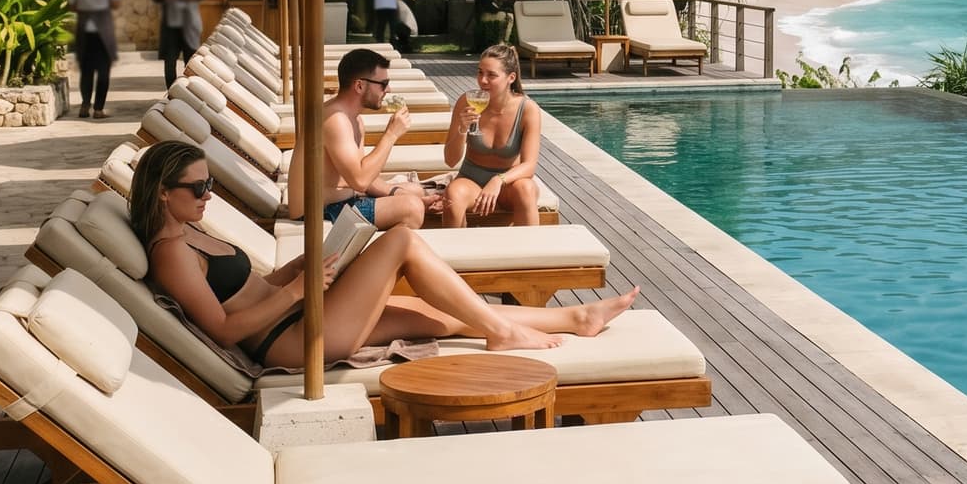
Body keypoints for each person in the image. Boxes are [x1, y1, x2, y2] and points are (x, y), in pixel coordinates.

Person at [137, 141, 638, 363]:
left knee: (436, 314)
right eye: (198, 188)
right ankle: (504, 333)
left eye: (209, 185)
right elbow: (223, 331)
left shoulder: (189, 232)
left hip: (298, 313)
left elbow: (248, 290)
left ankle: (577, 317)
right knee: (400, 239)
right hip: (290, 340)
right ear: (162, 192)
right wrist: (296, 290)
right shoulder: (170, 253)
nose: (208, 196)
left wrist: (301, 266)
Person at [284, 47, 426, 230]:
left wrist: (397, 192)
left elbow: (364, 175)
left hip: (340, 202)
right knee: (412, 208)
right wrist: (391, 135)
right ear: (359, 86)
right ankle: (392, 244)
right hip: (316, 213)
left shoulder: (354, 120)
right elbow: (360, 181)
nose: (388, 90)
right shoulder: (335, 120)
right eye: (383, 84)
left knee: (416, 192)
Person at [441, 44, 545, 227]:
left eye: (491, 75)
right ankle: (456, 245)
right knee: (452, 196)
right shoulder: (467, 102)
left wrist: (498, 180)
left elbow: (529, 166)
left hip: (508, 186)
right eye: (480, 72)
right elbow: (450, 160)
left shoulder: (528, 110)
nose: (483, 80)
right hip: (471, 181)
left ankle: (530, 245)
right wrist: (462, 129)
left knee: (526, 189)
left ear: (511, 78)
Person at [67, 0, 121, 119]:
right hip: (103, 28)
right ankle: (98, 109)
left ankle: (85, 105)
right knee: (104, 71)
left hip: (84, 29)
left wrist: (86, 7)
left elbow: (72, 6)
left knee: (86, 70)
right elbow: (116, 3)